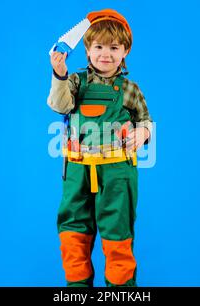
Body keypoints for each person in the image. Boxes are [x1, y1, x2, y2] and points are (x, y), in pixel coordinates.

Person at [47, 8, 153, 287]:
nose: (106, 54)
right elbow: (60, 105)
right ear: (87, 49)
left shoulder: (130, 89)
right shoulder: (75, 82)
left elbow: (146, 120)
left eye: (114, 47)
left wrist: (142, 132)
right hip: (78, 172)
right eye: (99, 47)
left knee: (117, 237)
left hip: (117, 173)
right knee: (73, 236)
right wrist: (59, 74)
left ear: (125, 51)